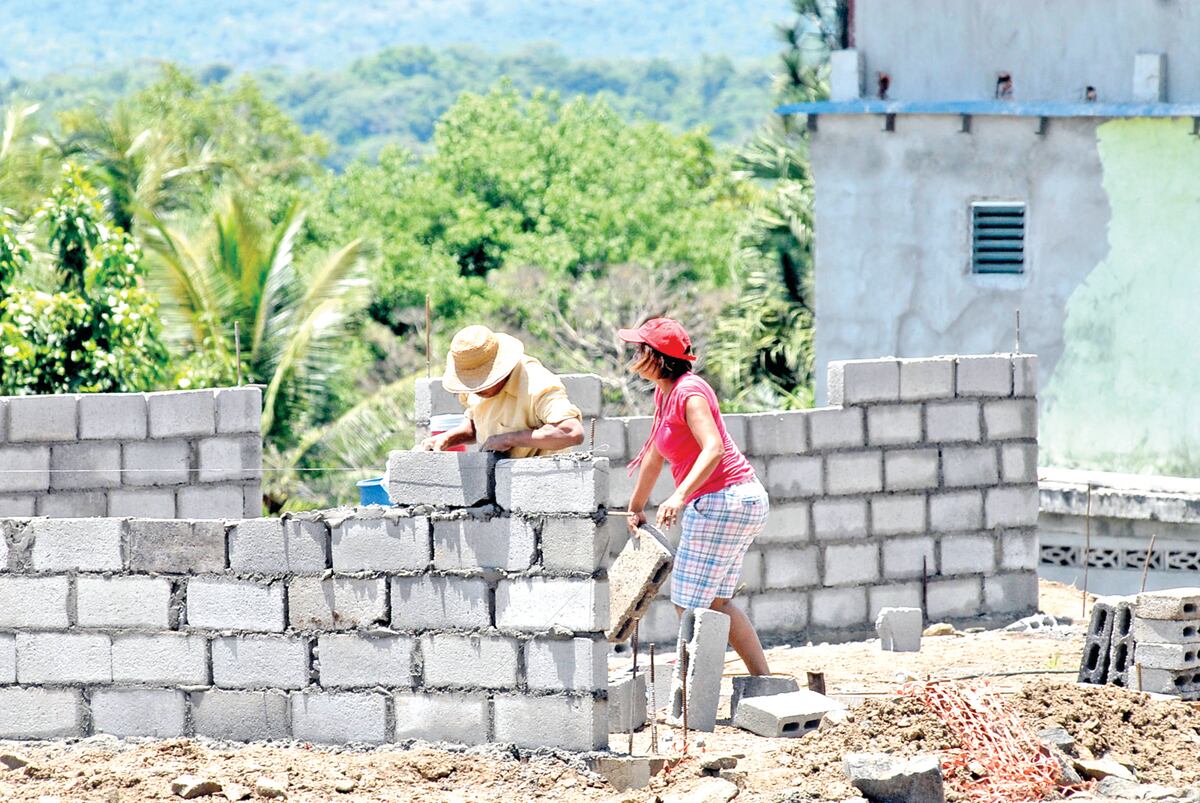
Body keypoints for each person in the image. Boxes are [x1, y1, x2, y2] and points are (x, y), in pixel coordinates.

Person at [619, 317, 772, 675]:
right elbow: (656, 455)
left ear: (657, 358)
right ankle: (764, 681)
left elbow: (713, 448)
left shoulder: (690, 393)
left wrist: (679, 496)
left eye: (640, 349)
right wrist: (636, 506)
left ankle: (692, 697)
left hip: (724, 501)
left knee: (689, 606)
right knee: (715, 603)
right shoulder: (665, 393)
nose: (634, 355)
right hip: (737, 500)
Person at [421, 325, 585, 457]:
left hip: (542, 485)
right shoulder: (471, 388)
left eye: (482, 383)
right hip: (496, 486)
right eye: (472, 384)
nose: (476, 390)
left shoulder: (537, 383)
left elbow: (571, 432)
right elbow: (476, 424)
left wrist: (509, 439)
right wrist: (447, 439)